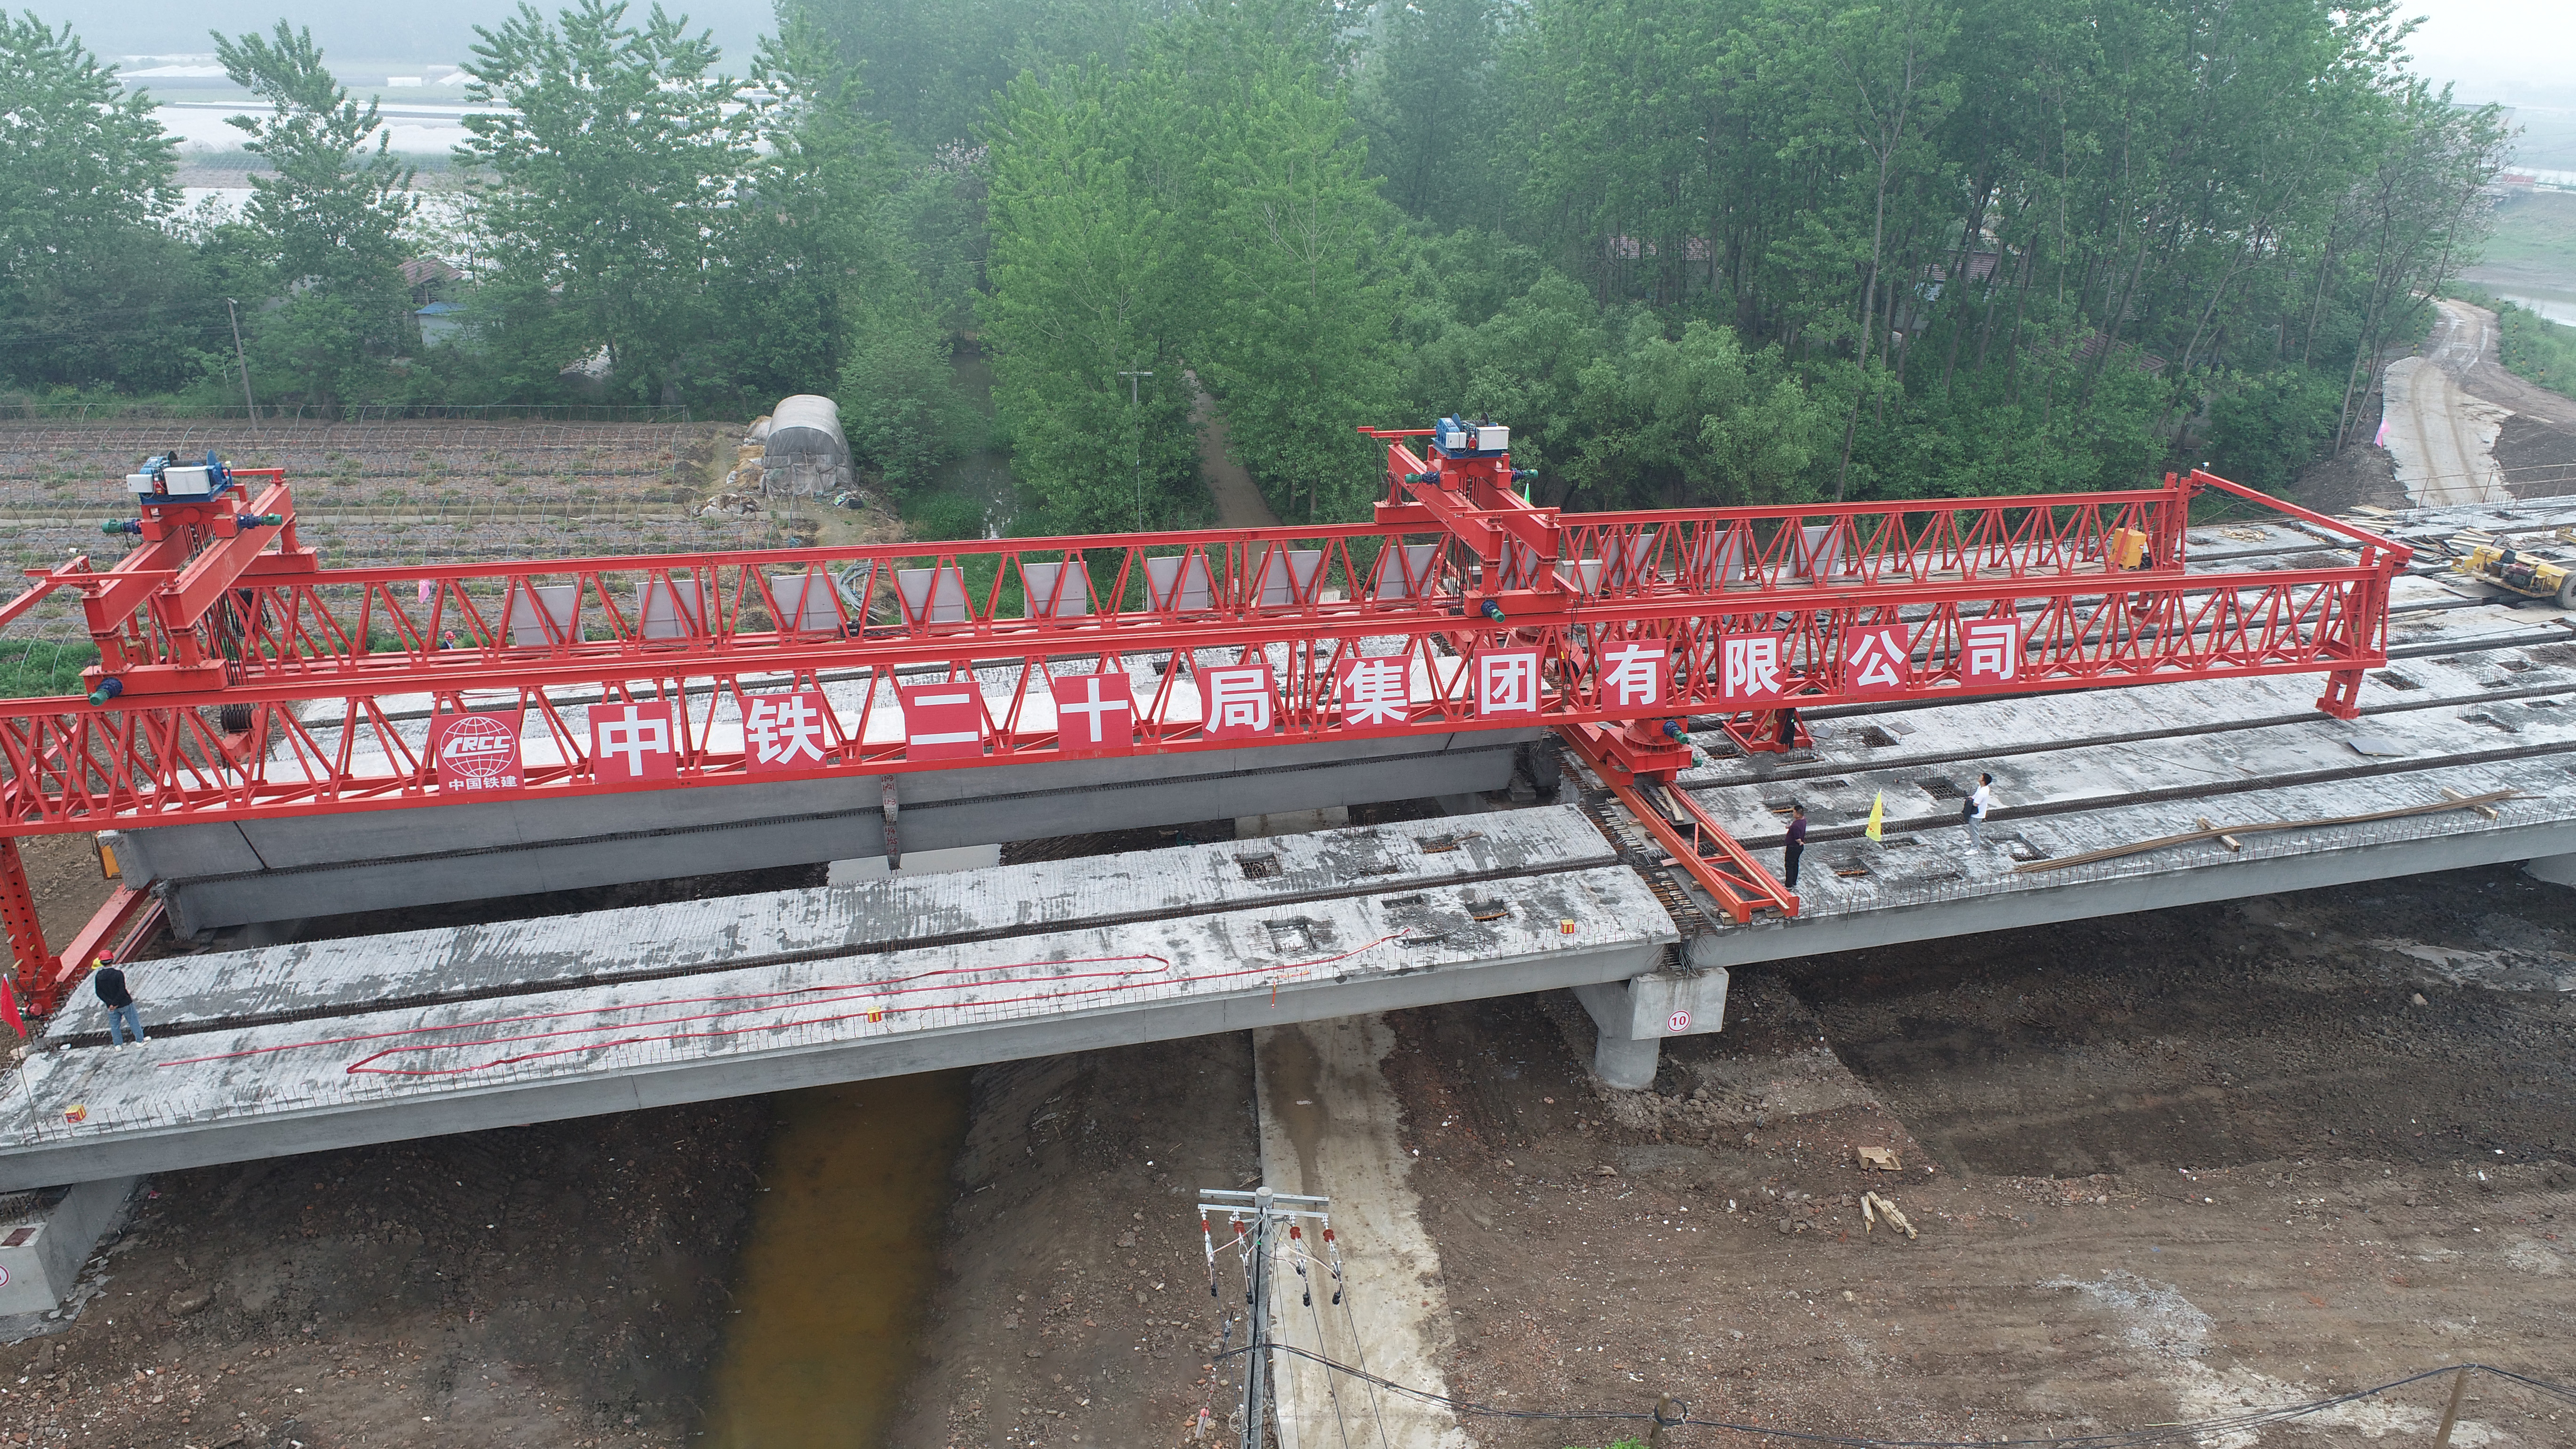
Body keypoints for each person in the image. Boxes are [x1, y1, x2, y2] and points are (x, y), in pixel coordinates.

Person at [92, 958, 144, 1046]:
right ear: (112, 961)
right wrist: (115, 1003)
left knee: (115, 1026)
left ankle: (118, 1045)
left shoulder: (99, 976)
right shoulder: (118, 974)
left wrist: (110, 1003)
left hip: (111, 1007)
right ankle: (140, 1041)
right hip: (124, 1003)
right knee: (133, 1022)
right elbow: (122, 990)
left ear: (101, 962)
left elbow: (99, 992)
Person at [1966, 772, 1995, 849]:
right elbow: (1975, 796)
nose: (1979, 777)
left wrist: (1969, 802)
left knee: (1974, 830)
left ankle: (1975, 848)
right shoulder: (1982, 788)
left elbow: (1976, 804)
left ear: (1983, 781)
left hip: (1977, 814)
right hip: (1980, 813)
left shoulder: (1982, 792)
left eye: (1981, 777)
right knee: (1973, 829)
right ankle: (1973, 840)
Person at [1783, 803, 1808, 887]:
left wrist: (1800, 842)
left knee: (1789, 865)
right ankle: (1794, 881)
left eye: (1794, 812)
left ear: (1798, 814)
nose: (1793, 813)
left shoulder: (1796, 826)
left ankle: (1789, 885)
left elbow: (1797, 838)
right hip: (1798, 849)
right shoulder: (1803, 820)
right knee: (1795, 864)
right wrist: (1790, 827)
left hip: (1793, 847)